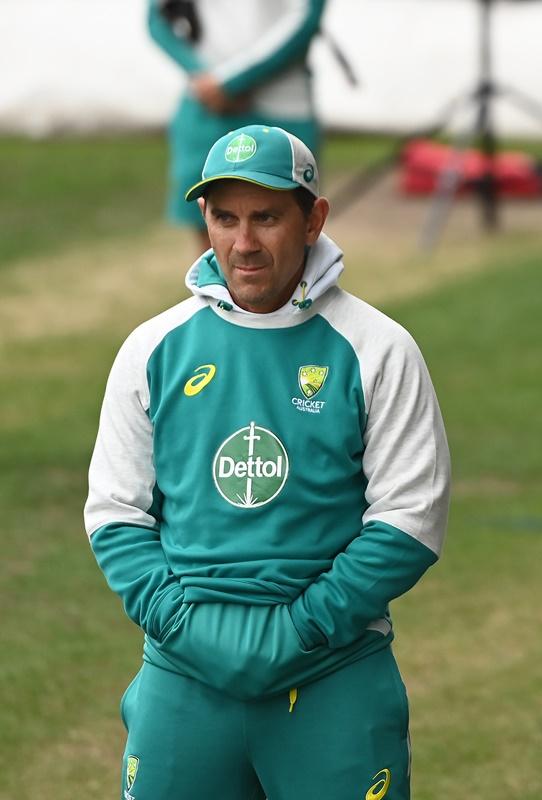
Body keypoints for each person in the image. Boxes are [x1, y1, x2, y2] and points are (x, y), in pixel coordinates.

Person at [85, 124, 450, 800]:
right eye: (224, 218)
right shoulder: (153, 347)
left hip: (331, 672)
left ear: (313, 218)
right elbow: (115, 511)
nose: (243, 243)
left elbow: (410, 519)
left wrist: (304, 627)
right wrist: (182, 623)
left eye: (265, 218)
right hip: (185, 669)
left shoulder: (378, 348)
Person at [148, 0, 326, 254]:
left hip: (281, 105)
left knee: (288, 242)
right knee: (213, 246)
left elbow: (306, 16)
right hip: (206, 107)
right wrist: (204, 77)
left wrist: (230, 82)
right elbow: (157, 18)